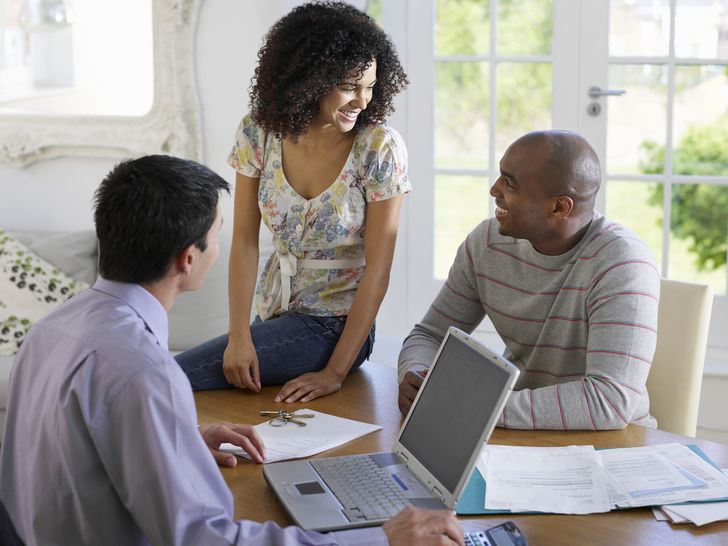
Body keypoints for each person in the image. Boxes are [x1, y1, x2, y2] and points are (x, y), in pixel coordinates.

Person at [0, 155, 463, 546]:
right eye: (218, 233)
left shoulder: (52, 329)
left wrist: (178, 440)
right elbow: (207, 539)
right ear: (188, 259)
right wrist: (380, 539)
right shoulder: (145, 373)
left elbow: (68, 450)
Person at [175, 1, 410, 405]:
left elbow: (378, 270)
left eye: (370, 86)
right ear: (309, 79)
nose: (363, 101)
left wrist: (334, 373)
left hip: (335, 327)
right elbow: (245, 242)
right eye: (349, 86)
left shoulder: (378, 147)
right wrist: (239, 335)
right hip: (272, 314)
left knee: (172, 374)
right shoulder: (258, 132)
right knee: (189, 382)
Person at [398, 131, 661, 430]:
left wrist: (477, 407)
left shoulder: (623, 262)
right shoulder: (487, 243)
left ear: (559, 207)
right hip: (520, 434)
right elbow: (430, 335)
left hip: (615, 444)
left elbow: (608, 402)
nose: (494, 189)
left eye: (509, 183)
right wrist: (417, 375)